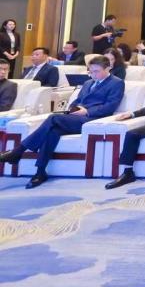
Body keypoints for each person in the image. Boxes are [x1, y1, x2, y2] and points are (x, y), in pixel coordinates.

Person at [0, 56, 124, 188]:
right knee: (52, 131)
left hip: (93, 119)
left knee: (53, 118)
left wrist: (87, 111)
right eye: (91, 71)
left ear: (108, 68)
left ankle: (18, 151)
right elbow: (77, 101)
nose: (93, 74)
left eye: (96, 71)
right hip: (76, 117)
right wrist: (72, 109)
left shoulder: (117, 83)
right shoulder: (88, 83)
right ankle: (40, 171)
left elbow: (110, 106)